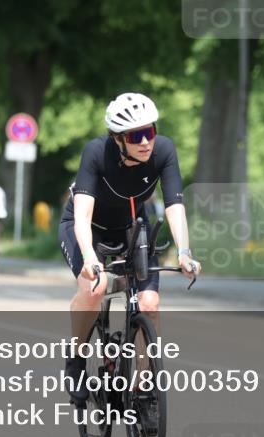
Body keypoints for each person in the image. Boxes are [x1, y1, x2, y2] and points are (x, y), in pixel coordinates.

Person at [60, 92, 201, 403]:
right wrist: (89, 259)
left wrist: (184, 252)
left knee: (149, 303)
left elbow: (175, 206)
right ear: (118, 138)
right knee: (94, 290)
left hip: (131, 226)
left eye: (150, 131)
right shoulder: (97, 153)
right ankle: (76, 359)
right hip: (87, 227)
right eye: (136, 135)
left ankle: (144, 389)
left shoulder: (163, 150)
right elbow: (82, 215)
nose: (146, 141)